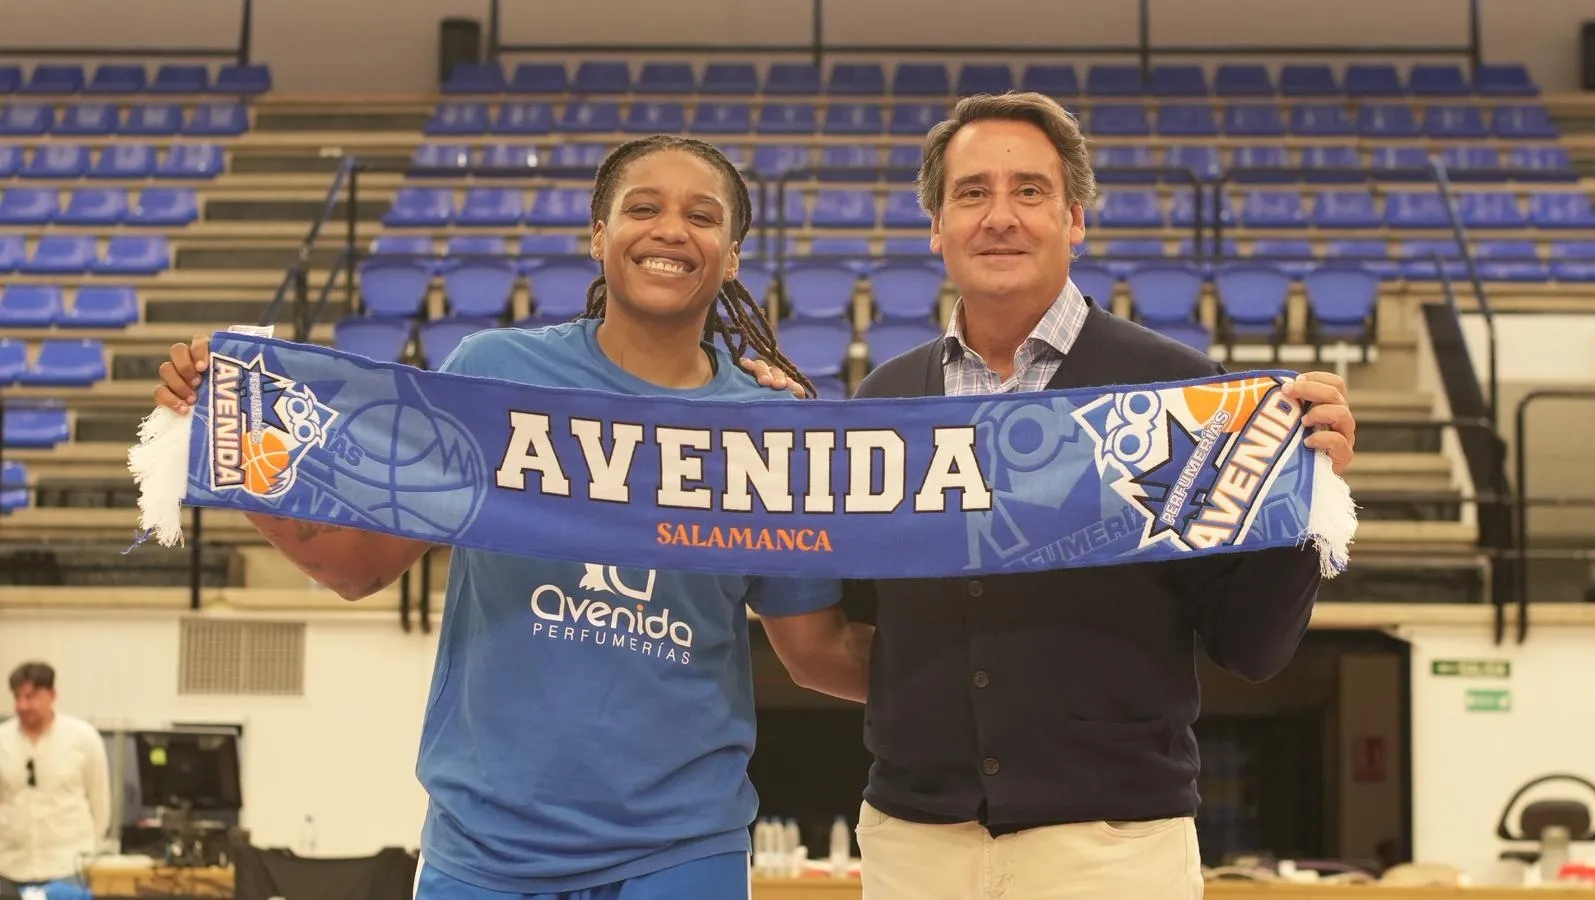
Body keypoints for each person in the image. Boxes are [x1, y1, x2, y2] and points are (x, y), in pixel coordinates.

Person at [153, 135, 870, 900]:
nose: (670, 230)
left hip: (682, 849)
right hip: (485, 849)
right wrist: (230, 442)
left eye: (701, 216)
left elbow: (815, 653)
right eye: (642, 209)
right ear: (598, 236)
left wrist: (965, 685)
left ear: (731, 258)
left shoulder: (766, 429)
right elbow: (357, 567)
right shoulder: (493, 376)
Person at [753, 91, 1358, 899]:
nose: (1000, 216)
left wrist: (1304, 497)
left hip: (1113, 848)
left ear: (1074, 219)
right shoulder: (885, 402)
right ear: (937, 226)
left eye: (1030, 191)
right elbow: (867, 630)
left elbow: (1251, 648)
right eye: (972, 193)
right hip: (916, 843)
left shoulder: (1179, 392)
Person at [0, 662, 111, 891]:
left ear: (52, 695)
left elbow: (100, 804)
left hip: (67, 867)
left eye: (30, 697)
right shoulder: (3, 740)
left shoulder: (83, 738)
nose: (22, 705)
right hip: (10, 867)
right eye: (17, 697)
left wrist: (89, 851)